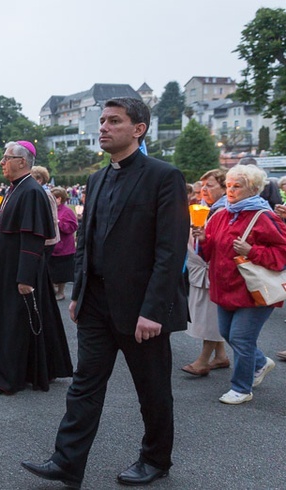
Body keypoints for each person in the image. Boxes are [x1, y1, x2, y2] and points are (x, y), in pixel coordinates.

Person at [21, 98, 189, 488]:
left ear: (139, 129)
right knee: (85, 386)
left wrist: (154, 310)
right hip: (96, 303)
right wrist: (78, 292)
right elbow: (85, 243)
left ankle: (156, 459)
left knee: (152, 390)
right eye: (102, 120)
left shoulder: (164, 176)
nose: (104, 127)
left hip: (142, 309)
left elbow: (171, 249)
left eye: (115, 121)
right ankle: (67, 462)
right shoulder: (97, 179)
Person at [0, 141, 73, 396]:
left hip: (18, 272)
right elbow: (2, 228)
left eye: (6, 158)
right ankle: (29, 371)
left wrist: (25, 277)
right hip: (11, 269)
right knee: (19, 323)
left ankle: (5, 379)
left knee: (11, 325)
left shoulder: (31, 192)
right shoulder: (16, 189)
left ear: (22, 162)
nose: (2, 162)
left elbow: (32, 238)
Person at [192, 164, 286, 404]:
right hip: (225, 288)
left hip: (253, 291)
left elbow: (282, 253)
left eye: (238, 186)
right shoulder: (221, 214)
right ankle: (260, 362)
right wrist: (203, 239)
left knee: (242, 339)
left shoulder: (264, 216)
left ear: (253, 189)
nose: (231, 190)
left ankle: (241, 389)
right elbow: (211, 253)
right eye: (230, 185)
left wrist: (252, 251)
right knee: (227, 334)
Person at [181, 169, 230, 376]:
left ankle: (203, 360)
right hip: (199, 269)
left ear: (223, 187)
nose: (204, 191)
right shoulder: (205, 208)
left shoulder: (225, 210)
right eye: (202, 186)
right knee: (205, 312)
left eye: (210, 186)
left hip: (212, 270)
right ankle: (220, 355)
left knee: (210, 314)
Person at [49, 187, 78, 301]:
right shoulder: (51, 209)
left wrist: (59, 224)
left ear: (59, 199)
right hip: (52, 246)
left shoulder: (67, 211)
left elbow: (73, 227)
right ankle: (53, 290)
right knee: (50, 270)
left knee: (62, 272)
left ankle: (61, 292)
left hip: (64, 247)